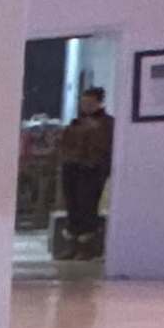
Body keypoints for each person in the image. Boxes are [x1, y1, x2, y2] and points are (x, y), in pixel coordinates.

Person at [53, 83, 115, 260]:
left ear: (99, 103)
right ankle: (72, 245)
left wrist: (94, 162)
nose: (85, 106)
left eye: (90, 102)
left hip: (92, 170)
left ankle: (87, 247)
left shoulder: (107, 124)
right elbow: (65, 144)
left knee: (87, 205)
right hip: (72, 168)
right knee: (72, 205)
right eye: (83, 102)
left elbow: (104, 148)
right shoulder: (76, 123)